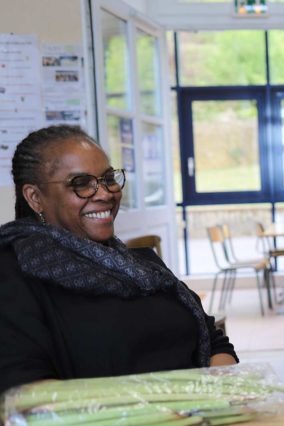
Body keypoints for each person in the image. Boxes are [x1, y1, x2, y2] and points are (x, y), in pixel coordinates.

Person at [0, 125, 237, 395]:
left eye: (108, 178)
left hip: (199, 423)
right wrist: (161, 409)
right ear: (35, 197)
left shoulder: (143, 266)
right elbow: (25, 392)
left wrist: (220, 396)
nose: (105, 193)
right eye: (81, 183)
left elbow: (215, 343)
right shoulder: (14, 275)